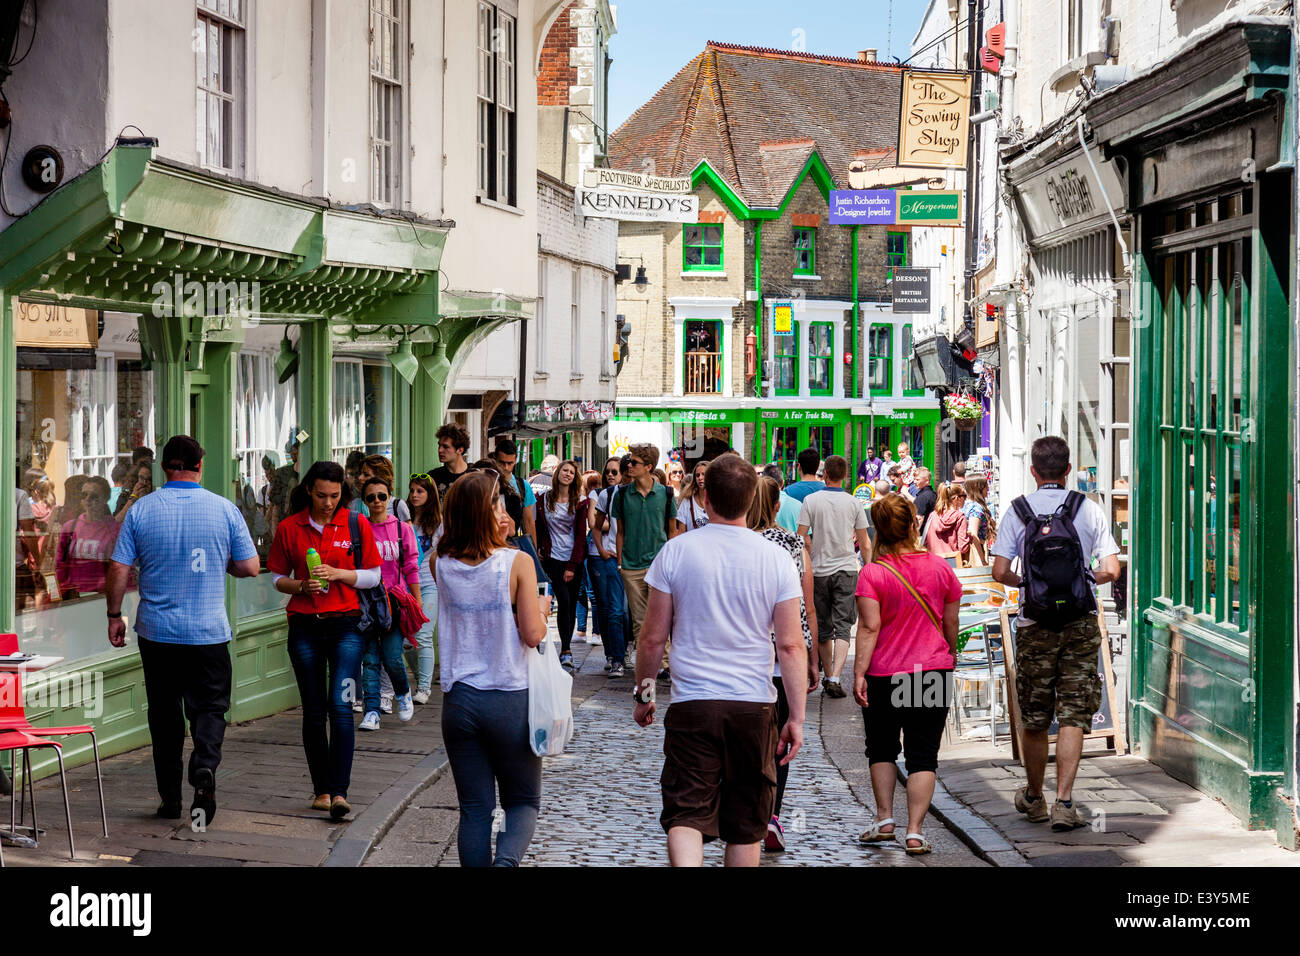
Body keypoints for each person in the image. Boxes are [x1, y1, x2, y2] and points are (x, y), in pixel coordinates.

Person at [633, 453, 808, 867]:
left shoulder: (676, 552)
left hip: (694, 703)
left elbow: (653, 637)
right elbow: (790, 645)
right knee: (746, 821)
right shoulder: (776, 558)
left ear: (704, 496)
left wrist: (643, 693)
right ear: (753, 499)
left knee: (686, 812)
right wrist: (796, 716)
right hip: (753, 703)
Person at [105, 435, 260, 824]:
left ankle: (170, 799)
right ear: (199, 466)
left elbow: (119, 567)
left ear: (164, 468)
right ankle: (204, 765)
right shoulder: (224, 510)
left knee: (164, 714)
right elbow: (250, 567)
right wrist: (219, 563)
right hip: (208, 632)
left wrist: (113, 614)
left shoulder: (141, 510)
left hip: (158, 633)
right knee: (209, 708)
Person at [992, 436, 1121, 831]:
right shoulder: (1089, 509)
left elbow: (999, 572)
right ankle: (1065, 803)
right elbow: (1112, 570)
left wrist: (1028, 583)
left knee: (1034, 714)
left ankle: (1034, 798)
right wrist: (1084, 577)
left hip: (1034, 625)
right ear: (1067, 471)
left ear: (1034, 471)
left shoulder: (1017, 511)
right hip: (1079, 624)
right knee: (1073, 713)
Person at [436, 470, 550, 867]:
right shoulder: (516, 563)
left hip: (460, 699)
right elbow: (532, 635)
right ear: (489, 513)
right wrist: (541, 608)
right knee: (522, 801)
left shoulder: (441, 562)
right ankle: (505, 863)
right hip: (509, 695)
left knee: (474, 808)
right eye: (498, 503)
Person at [267, 460, 382, 821]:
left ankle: (341, 792)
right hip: (304, 626)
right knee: (314, 711)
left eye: (334, 495)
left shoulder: (355, 522)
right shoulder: (289, 527)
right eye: (321, 495)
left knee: (341, 706)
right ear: (308, 492)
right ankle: (322, 790)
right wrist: (301, 585)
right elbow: (275, 577)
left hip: (346, 625)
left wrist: (341, 574)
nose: (328, 502)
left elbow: (375, 576)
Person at [853, 493, 961, 854]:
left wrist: (858, 673)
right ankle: (914, 831)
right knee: (923, 753)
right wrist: (950, 652)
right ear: (913, 523)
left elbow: (869, 629)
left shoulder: (873, 573)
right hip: (929, 670)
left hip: (884, 673)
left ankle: (885, 819)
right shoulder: (940, 568)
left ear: (878, 529)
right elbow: (951, 622)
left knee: (881, 747)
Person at [746, 475, 820, 852]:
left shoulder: (739, 542)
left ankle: (749, 812)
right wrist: (813, 657)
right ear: (778, 506)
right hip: (782, 656)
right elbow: (805, 606)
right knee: (782, 739)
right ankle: (773, 814)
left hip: (745, 656)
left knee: (749, 740)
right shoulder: (792, 543)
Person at [797, 455, 871, 698]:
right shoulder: (853, 503)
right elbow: (864, 540)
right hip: (847, 568)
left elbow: (801, 537)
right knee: (843, 625)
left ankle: (828, 675)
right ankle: (836, 677)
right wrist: (868, 567)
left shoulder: (811, 500)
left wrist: (808, 554)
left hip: (818, 570)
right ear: (844, 476)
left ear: (825, 474)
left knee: (822, 625)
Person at [612, 443, 679, 680]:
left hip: (658, 565)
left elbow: (672, 532)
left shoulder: (666, 494)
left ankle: (667, 664)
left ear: (648, 467)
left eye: (634, 463)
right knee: (639, 620)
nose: (628, 466)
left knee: (661, 618)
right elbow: (620, 530)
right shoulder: (621, 494)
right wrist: (620, 563)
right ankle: (647, 666)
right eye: (629, 462)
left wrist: (670, 564)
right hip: (630, 565)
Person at [357, 475, 419, 731]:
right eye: (371, 497)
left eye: (382, 496)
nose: (377, 502)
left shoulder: (401, 529)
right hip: (366, 603)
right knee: (370, 660)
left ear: (390, 496)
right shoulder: (360, 528)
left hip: (393, 601)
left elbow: (411, 566)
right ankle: (372, 711)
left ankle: (403, 693)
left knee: (393, 657)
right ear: (364, 501)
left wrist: (417, 600)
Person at [536, 459, 589, 671]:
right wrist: (540, 546)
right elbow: (539, 526)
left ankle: (566, 649)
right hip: (552, 558)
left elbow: (580, 536)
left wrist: (573, 564)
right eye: (564, 470)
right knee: (564, 600)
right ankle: (565, 648)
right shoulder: (544, 499)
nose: (567, 474)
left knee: (569, 602)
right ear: (557, 473)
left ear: (575, 478)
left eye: (571, 472)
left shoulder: (580, 501)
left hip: (572, 558)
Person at [587, 457, 629, 677]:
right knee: (614, 610)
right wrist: (603, 550)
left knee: (627, 613)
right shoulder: (606, 495)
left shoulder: (644, 494)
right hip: (612, 558)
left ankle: (625, 651)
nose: (611, 475)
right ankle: (616, 658)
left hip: (637, 560)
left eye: (616, 471)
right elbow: (594, 523)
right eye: (609, 471)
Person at [55, 476, 120, 599]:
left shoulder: (115, 530)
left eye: (94, 496)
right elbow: (60, 564)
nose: (88, 500)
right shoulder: (70, 527)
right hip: (74, 598)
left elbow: (122, 568)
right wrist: (59, 592)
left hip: (102, 599)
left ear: (105, 499)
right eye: (84, 495)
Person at [407, 473, 441, 702]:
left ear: (430, 495)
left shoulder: (439, 523)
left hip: (429, 584)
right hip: (406, 585)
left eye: (420, 491)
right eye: (412, 491)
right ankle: (420, 679)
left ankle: (424, 688)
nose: (415, 495)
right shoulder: (403, 519)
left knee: (424, 635)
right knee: (407, 640)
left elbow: (447, 554)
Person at [575, 470, 602, 645]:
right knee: (581, 590)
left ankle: (596, 632)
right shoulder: (579, 502)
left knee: (592, 592)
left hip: (592, 549)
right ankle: (581, 629)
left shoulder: (598, 500)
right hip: (580, 549)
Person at [350, 455, 411, 522]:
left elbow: (408, 531)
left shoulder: (397, 506)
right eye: (360, 473)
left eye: (366, 474)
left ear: (381, 478)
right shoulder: (354, 505)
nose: (360, 478)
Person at [923, 483, 971, 561]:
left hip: (933, 560)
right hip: (953, 561)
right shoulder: (960, 517)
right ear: (956, 498)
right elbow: (963, 548)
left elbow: (926, 542)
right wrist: (970, 538)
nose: (965, 499)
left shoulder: (933, 515)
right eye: (964, 496)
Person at [431, 422, 471, 500]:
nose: (440, 450)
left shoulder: (474, 475)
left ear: (460, 450)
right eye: (439, 445)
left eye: (445, 447)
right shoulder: (432, 477)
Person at [963, 476, 996, 566]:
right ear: (979, 488)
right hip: (976, 549)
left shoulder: (965, 505)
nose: (988, 489)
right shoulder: (976, 508)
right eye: (986, 486)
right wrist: (982, 560)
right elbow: (973, 534)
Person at [674, 459, 710, 533]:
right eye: (697, 475)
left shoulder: (718, 501)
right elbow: (681, 533)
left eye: (704, 474)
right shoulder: (687, 502)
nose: (700, 478)